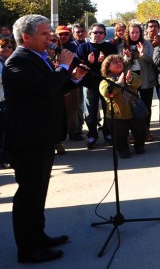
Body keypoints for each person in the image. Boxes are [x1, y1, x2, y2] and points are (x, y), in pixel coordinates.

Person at [4, 14, 86, 263]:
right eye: (44, 33)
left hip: (44, 136)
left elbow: (52, 89)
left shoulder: (37, 58)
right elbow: (44, 89)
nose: (50, 37)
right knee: (29, 195)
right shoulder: (18, 61)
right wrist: (62, 67)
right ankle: (28, 250)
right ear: (26, 37)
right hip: (28, 139)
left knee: (39, 192)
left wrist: (72, 79)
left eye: (50, 32)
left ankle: (38, 236)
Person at [75, 23, 118, 149]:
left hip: (106, 84)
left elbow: (116, 65)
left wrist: (104, 63)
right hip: (89, 84)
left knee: (108, 110)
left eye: (100, 33)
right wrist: (90, 62)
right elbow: (78, 65)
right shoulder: (83, 47)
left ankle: (108, 133)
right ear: (90, 33)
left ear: (104, 34)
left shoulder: (110, 47)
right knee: (90, 111)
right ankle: (92, 134)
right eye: (95, 32)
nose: (98, 35)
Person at [99, 54, 146, 158]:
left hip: (134, 111)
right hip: (117, 115)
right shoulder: (105, 81)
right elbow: (107, 93)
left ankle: (139, 146)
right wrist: (120, 83)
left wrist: (130, 80)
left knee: (140, 131)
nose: (118, 64)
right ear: (108, 66)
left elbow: (139, 82)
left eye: (120, 61)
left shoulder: (129, 74)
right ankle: (123, 149)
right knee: (120, 136)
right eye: (115, 62)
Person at [120, 23, 155, 140]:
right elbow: (119, 64)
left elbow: (153, 60)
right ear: (128, 33)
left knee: (146, 106)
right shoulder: (123, 46)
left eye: (137, 32)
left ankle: (146, 130)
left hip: (145, 79)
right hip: (130, 80)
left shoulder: (146, 44)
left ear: (140, 33)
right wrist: (127, 57)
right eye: (132, 32)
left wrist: (142, 54)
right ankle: (133, 133)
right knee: (131, 106)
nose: (135, 35)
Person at [0, 37, 15, 168]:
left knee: (7, 131)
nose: (6, 48)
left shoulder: (14, 61)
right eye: (3, 46)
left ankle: (6, 157)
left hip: (8, 101)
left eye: (9, 46)